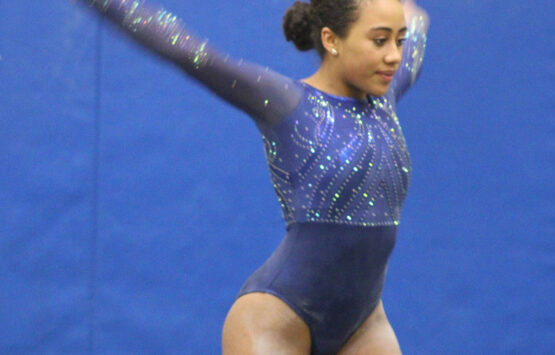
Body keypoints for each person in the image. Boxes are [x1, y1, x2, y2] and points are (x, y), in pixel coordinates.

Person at [78, 0, 428, 353]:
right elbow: (186, 50)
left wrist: (406, 18)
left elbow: (418, 24)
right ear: (331, 40)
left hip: (364, 324)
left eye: (399, 41)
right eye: (380, 40)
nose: (395, 56)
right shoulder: (286, 101)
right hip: (277, 320)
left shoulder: (385, 103)